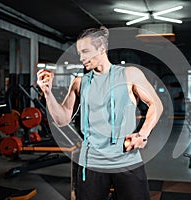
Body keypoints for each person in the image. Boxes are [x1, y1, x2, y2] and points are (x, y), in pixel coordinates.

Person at [37, 26, 163, 200]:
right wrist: (48, 93)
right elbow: (62, 119)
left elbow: (156, 104)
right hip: (92, 162)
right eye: (79, 53)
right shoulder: (79, 82)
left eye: (86, 51)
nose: (82, 58)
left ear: (102, 49)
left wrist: (143, 134)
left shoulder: (129, 74)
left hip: (127, 161)